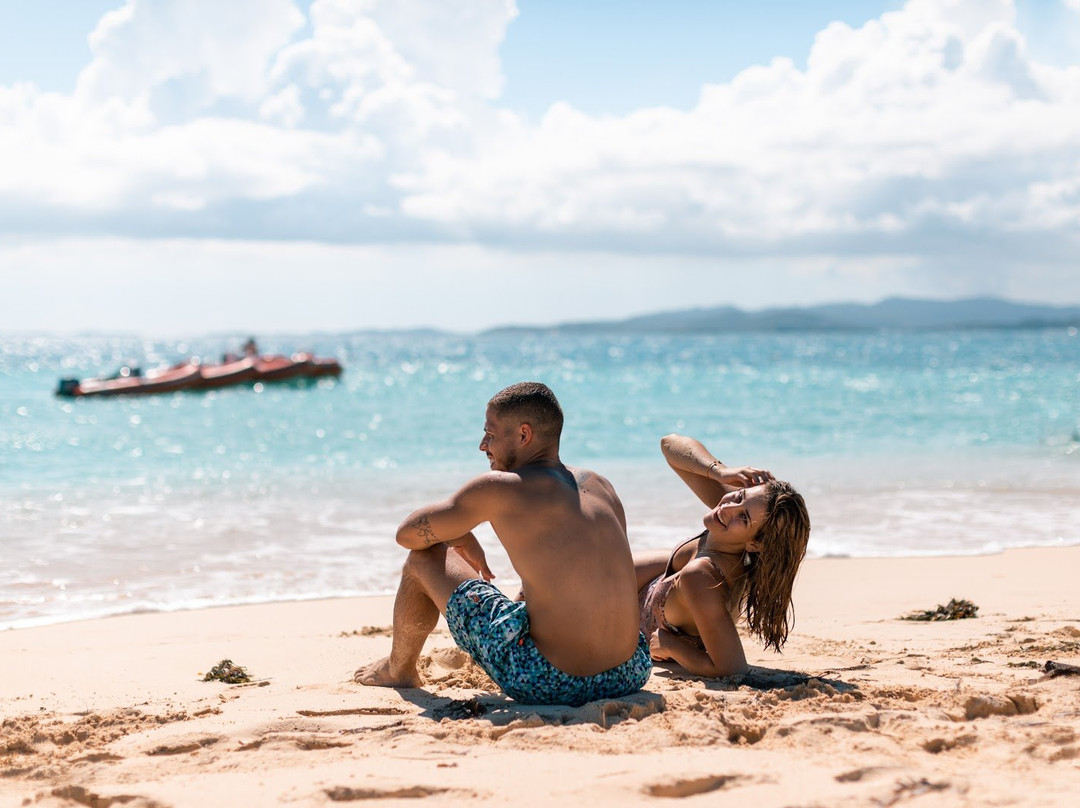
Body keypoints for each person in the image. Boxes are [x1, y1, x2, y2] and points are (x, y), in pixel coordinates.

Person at [355, 382, 651, 707]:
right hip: (630, 672)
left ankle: (398, 669)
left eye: (490, 434)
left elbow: (407, 534)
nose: (483, 445)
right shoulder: (599, 485)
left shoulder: (503, 488)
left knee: (424, 557)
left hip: (551, 680)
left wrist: (459, 534)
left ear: (524, 435)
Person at [635, 434, 811, 678]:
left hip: (632, 623)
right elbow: (669, 445)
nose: (726, 508)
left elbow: (732, 669)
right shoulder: (729, 524)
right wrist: (720, 473)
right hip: (653, 585)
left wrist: (673, 648)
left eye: (744, 517)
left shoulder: (704, 576)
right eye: (739, 496)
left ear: (755, 544)